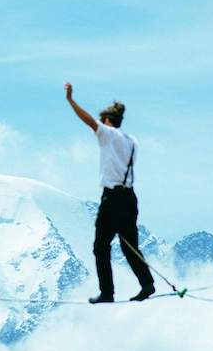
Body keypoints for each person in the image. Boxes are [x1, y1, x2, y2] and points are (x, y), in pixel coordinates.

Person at [64, 82, 155, 303]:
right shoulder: (131, 141)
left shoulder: (107, 134)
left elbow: (87, 121)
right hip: (130, 197)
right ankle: (147, 283)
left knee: (101, 246)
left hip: (112, 197)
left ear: (106, 121)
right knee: (130, 246)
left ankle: (107, 293)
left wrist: (70, 100)